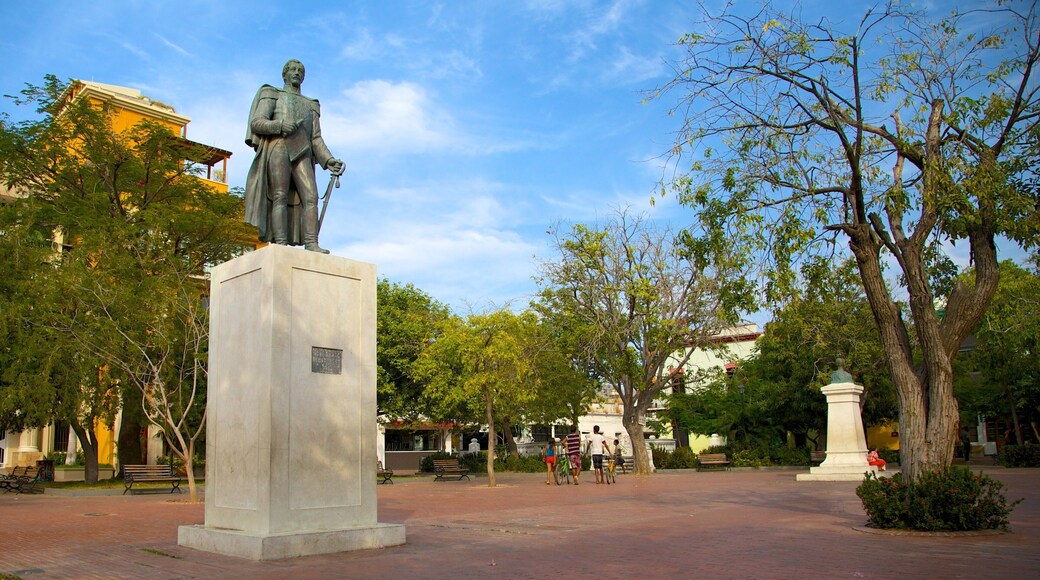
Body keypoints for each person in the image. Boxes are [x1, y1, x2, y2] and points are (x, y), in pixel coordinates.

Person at [244, 59, 345, 253]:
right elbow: (257, 122)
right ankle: (280, 243)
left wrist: (329, 160)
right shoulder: (272, 94)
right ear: (285, 74)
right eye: (292, 70)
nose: (297, 73)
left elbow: (316, 138)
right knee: (279, 195)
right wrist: (279, 125)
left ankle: (311, 243)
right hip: (279, 146)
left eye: (300, 70)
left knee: (311, 196)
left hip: (303, 150)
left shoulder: (311, 105)